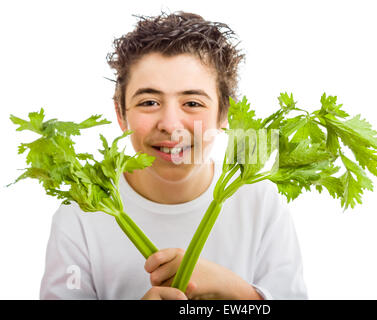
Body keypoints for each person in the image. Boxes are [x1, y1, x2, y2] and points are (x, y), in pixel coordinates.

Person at [40, 11, 308, 300]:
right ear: (121, 114)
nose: (170, 124)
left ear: (224, 113)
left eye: (192, 102)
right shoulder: (82, 212)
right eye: (149, 102)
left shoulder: (260, 201)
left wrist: (238, 291)